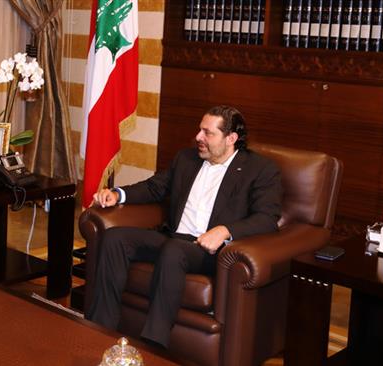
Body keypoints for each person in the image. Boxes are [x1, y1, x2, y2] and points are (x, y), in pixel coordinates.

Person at [86, 105, 282, 348]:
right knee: (116, 237)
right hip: (173, 237)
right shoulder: (187, 158)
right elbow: (154, 187)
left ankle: (153, 345)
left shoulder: (260, 169)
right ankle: (100, 330)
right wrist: (118, 194)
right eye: (200, 130)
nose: (198, 137)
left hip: (208, 250)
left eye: (208, 133)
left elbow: (266, 218)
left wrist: (225, 231)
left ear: (231, 139)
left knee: (174, 251)